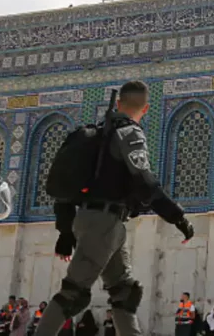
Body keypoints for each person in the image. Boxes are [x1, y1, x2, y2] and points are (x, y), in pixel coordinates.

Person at [36, 81, 195, 336]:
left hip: (97, 220)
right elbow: (145, 182)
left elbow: (66, 187)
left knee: (124, 292)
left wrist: (65, 232)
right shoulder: (129, 133)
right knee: (73, 293)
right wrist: (178, 217)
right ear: (146, 109)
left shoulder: (94, 136)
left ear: (118, 103)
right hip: (104, 223)